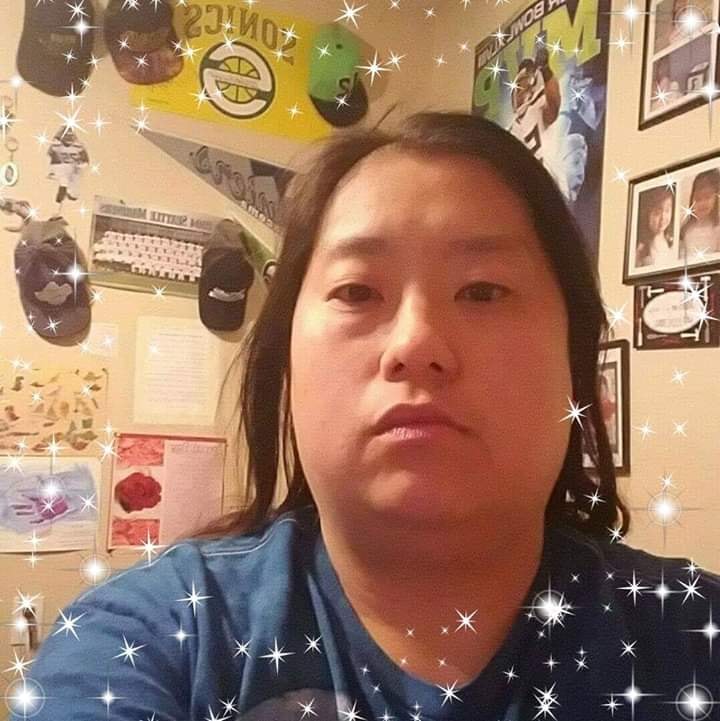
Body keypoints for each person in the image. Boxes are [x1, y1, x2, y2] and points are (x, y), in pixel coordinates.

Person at [13, 111, 720, 721]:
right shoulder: (149, 640)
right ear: (286, 360)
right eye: (356, 291)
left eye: (483, 290)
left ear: (575, 358)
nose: (416, 343)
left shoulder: (694, 635)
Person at [679, 167, 720, 262]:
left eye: (707, 197)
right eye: (698, 199)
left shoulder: (717, 229)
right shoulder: (686, 229)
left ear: (716, 198)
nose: (702, 203)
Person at [635, 185, 677, 268]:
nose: (663, 217)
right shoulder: (641, 249)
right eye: (657, 213)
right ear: (647, 215)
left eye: (667, 210)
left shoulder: (672, 242)